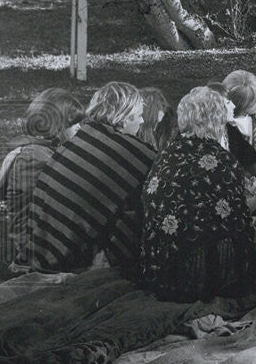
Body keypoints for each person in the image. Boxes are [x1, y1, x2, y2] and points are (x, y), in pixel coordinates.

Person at [139, 87, 256, 302]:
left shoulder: (165, 155)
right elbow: (238, 224)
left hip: (158, 271)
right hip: (202, 279)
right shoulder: (222, 160)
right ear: (217, 120)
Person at [15, 82, 157, 273]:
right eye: (139, 116)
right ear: (123, 119)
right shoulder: (136, 154)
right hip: (69, 260)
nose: (141, 122)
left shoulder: (80, 139)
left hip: (35, 246)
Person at [0, 88, 85, 257]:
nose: (79, 127)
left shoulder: (44, 151)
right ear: (57, 125)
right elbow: (45, 210)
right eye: (74, 123)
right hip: (34, 250)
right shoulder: (33, 158)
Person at [137, 87, 177, 151]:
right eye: (161, 106)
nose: (164, 110)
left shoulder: (166, 124)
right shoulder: (137, 133)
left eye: (163, 105)